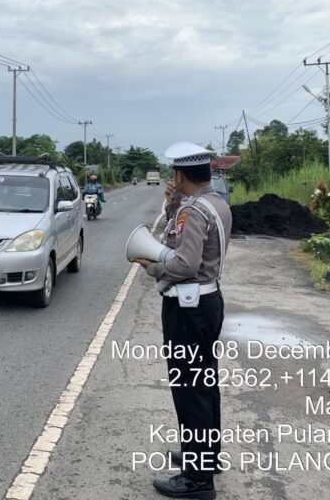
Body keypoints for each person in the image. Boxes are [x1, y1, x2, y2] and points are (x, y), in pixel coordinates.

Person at [131, 141, 232, 500]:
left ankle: (197, 479)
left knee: (190, 391)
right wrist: (174, 202)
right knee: (204, 384)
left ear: (178, 173)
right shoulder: (216, 202)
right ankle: (205, 456)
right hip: (208, 301)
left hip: (188, 308)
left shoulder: (194, 211)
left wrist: (153, 268)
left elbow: (184, 263)